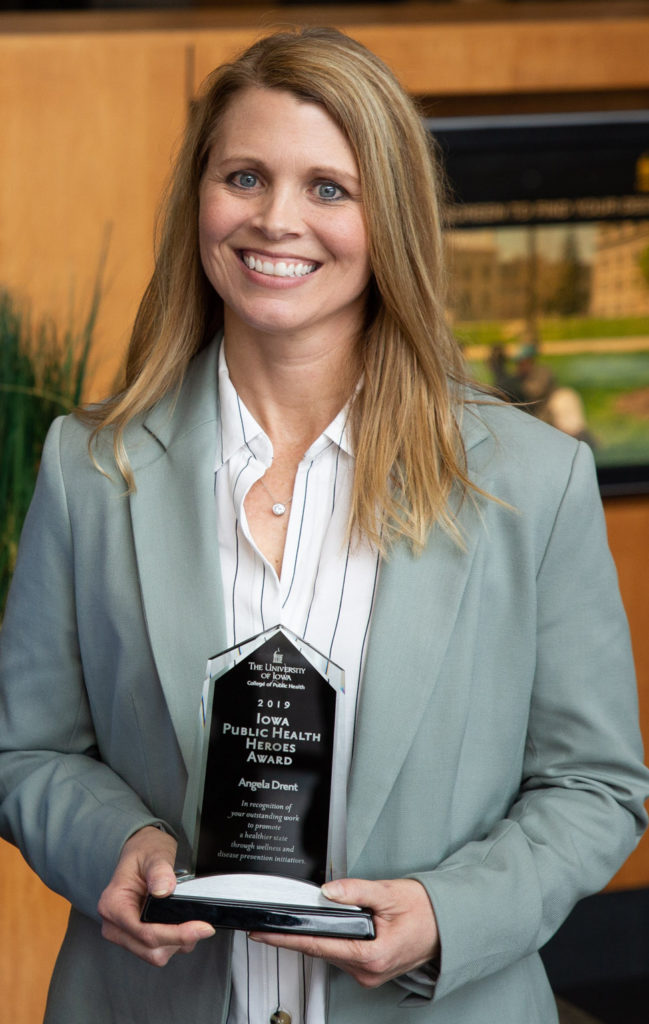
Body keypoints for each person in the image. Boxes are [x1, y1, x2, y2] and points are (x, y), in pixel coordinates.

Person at [0, 26, 647, 1024]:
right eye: (245, 176)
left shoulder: (534, 482)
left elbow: (596, 786)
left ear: (389, 215)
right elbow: (27, 752)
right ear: (199, 200)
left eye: (328, 188)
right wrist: (113, 845)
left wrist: (446, 911)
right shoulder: (89, 470)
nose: (276, 220)